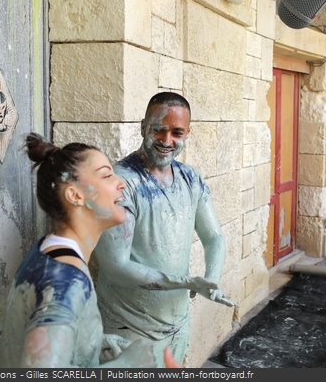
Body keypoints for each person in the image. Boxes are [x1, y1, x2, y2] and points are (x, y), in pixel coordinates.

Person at [0, 133, 168, 368]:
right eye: (107, 175)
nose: (122, 183)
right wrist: (125, 366)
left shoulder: (50, 250)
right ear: (75, 195)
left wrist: (93, 342)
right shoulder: (66, 280)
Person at [94, 92, 234, 367]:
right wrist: (185, 283)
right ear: (143, 127)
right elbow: (115, 266)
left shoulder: (190, 178)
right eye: (159, 129)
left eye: (177, 132)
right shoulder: (121, 183)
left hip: (178, 324)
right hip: (128, 330)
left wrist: (211, 279)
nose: (167, 140)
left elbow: (214, 237)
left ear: (188, 133)